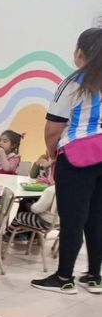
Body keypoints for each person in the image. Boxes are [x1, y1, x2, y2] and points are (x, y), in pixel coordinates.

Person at [32, 27, 102, 295]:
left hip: (77, 158)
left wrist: (52, 155)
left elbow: (53, 128)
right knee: (97, 218)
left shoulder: (73, 83)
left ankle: (64, 278)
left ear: (80, 53)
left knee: (73, 218)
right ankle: (95, 276)